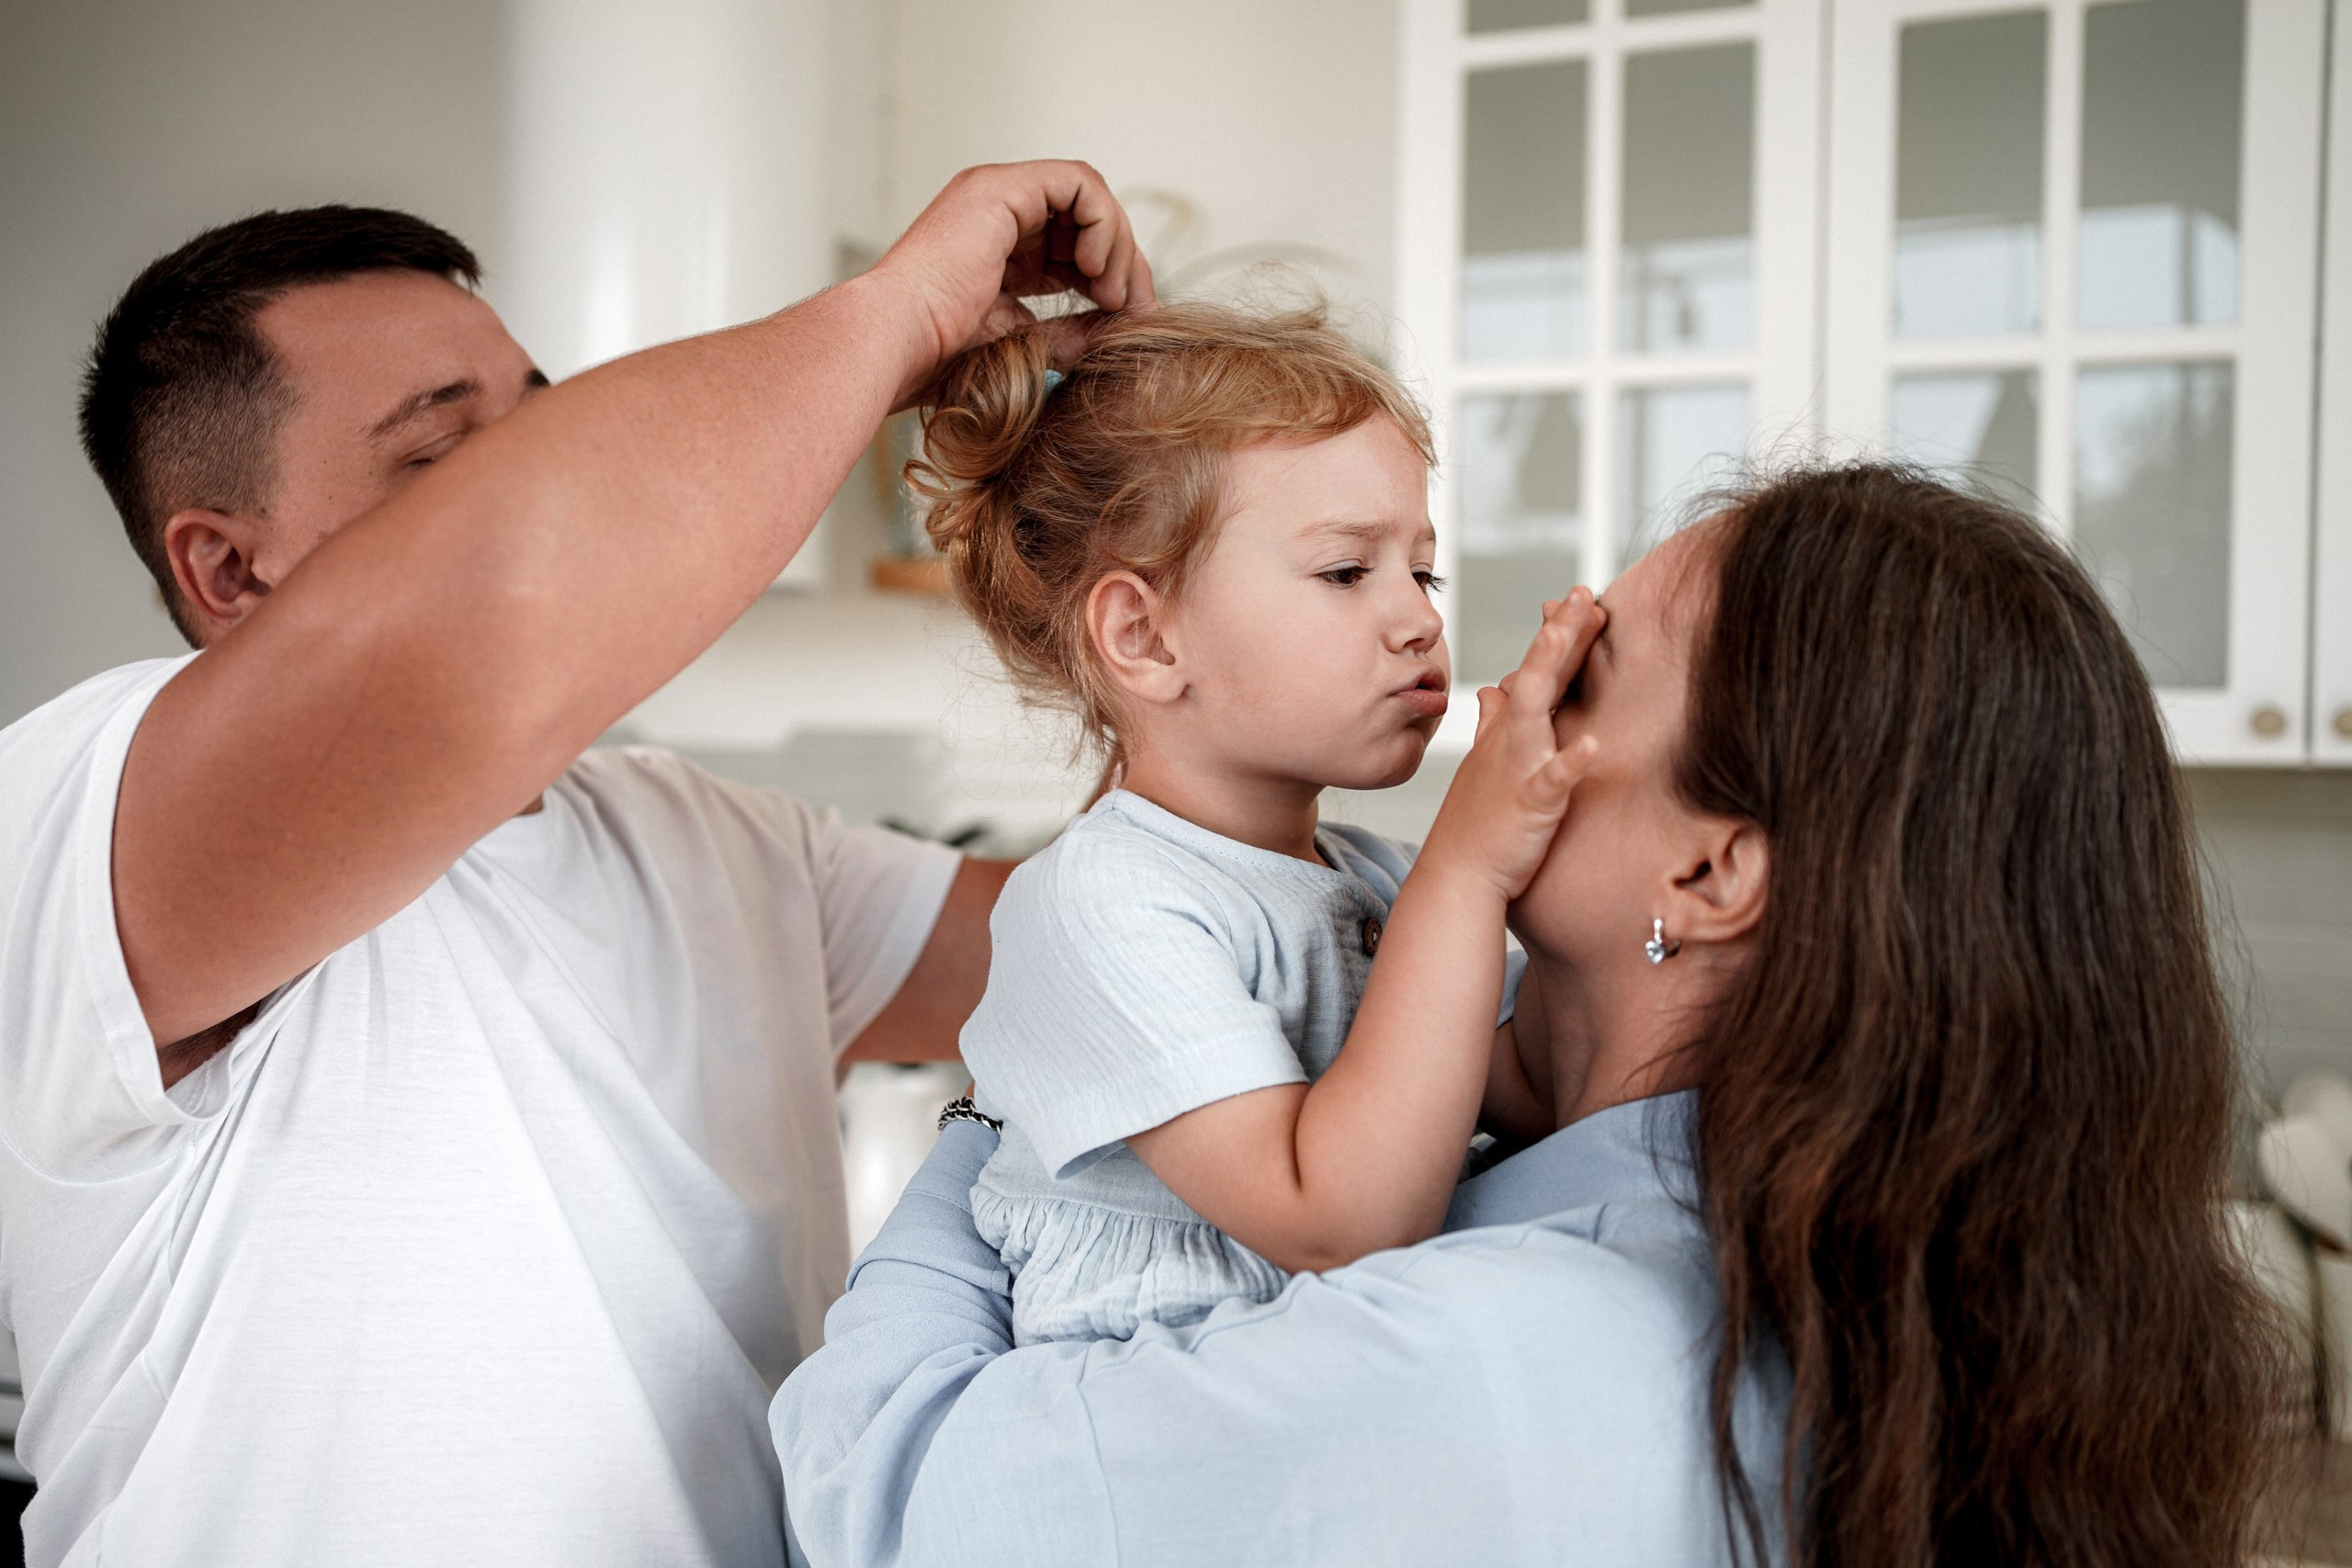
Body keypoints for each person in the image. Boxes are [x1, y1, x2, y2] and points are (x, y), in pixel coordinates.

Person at [775, 463, 2288, 1568]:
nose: (1495, 694)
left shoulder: (1507, 1362)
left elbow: (879, 1489)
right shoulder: (1821, 1270)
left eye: (1582, 677)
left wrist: (1033, 1081)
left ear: (1706, 870)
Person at [0, 164, 1152, 1567]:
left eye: (543, 425)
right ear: (229, 573)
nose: (548, 475)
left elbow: (1135, 955)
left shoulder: (724, 841)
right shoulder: (83, 802)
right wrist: (899, 314)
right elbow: (512, 598)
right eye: (445, 462)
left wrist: (1158, 552)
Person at [898, 301, 1596, 1348]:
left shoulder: (1374, 880)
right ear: (1143, 636)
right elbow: (1340, 1216)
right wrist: (1468, 872)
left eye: (1422, 569)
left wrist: (1565, 875)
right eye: (1346, 571)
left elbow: (1538, 1090)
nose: (1419, 617)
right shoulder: (1099, 903)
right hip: (1154, 1428)